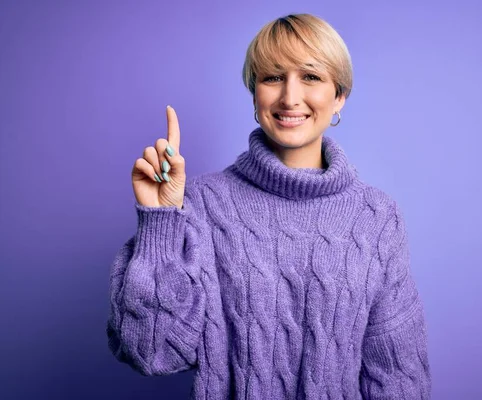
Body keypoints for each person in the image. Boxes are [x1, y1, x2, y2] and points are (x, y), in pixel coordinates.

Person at [107, 13, 431, 399]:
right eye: (273, 77)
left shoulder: (376, 218)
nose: (290, 97)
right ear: (255, 92)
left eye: (311, 77)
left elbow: (399, 378)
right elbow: (151, 352)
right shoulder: (201, 205)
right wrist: (160, 221)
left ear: (339, 95)